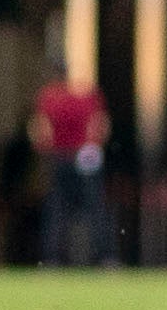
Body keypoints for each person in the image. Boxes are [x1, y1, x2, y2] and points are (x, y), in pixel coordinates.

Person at [33, 62, 112, 267]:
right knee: (95, 209)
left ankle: (52, 258)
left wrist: (46, 150)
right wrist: (93, 146)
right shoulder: (86, 95)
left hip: (60, 156)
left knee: (58, 209)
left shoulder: (48, 98)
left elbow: (42, 130)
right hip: (86, 155)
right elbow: (100, 125)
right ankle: (105, 257)